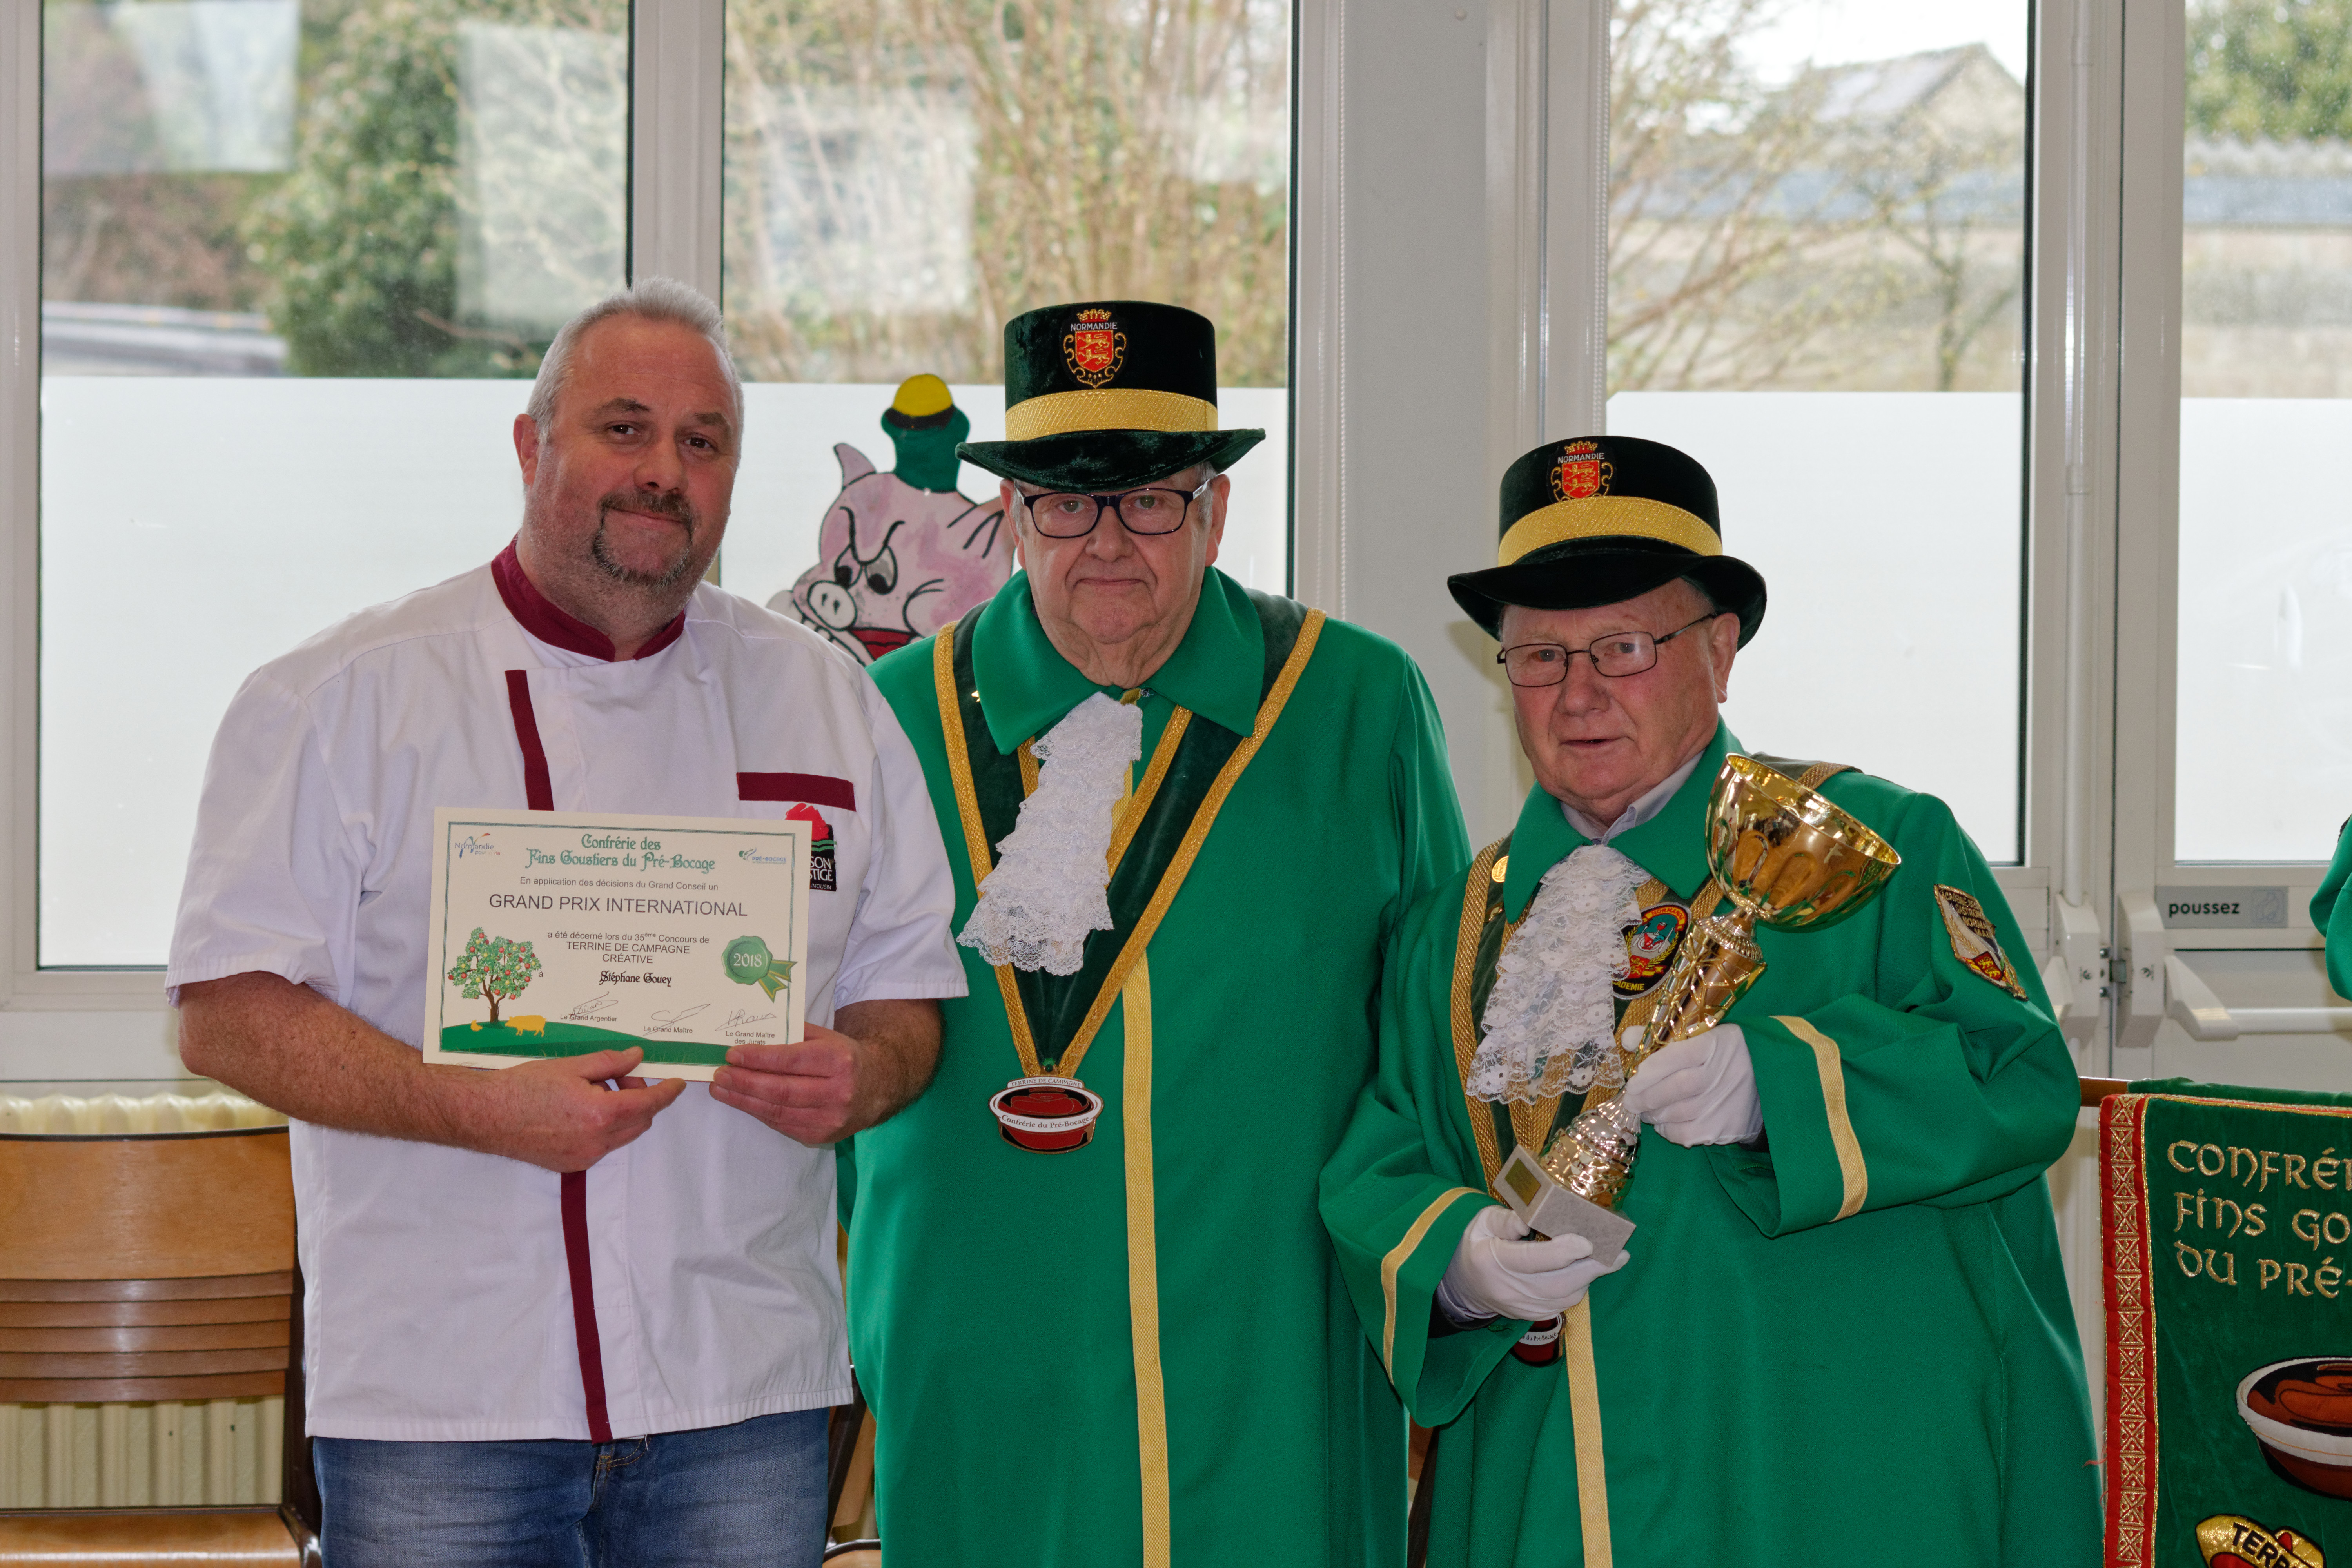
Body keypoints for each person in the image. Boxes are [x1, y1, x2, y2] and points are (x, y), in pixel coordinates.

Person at [167, 278, 965, 1568]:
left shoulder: (829, 703)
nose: (664, 471)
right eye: (624, 427)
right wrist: (476, 1106)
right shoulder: (343, 698)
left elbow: (906, 994)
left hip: (741, 1392)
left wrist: (866, 1076)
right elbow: (224, 1012)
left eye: (703, 441)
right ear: (532, 446)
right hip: (445, 1400)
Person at [1319, 435, 2100, 1566]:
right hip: (1552, 1489)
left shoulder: (1875, 845)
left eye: (1624, 647)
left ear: (1720, 651)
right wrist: (1459, 1261)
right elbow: (1384, 1156)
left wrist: (1785, 1087)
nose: (1578, 694)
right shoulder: (1452, 929)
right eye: (1539, 656)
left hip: (1832, 1477)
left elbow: (2019, 1080)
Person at [848, 299, 1469, 1566]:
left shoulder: (1359, 704)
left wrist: (1439, 1256)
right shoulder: (886, 716)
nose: (1107, 542)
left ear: (1214, 511)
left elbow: (1436, 1035)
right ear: (1012, 515)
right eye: (1067, 505)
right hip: (973, 1335)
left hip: (1270, 1348)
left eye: (1149, 501)